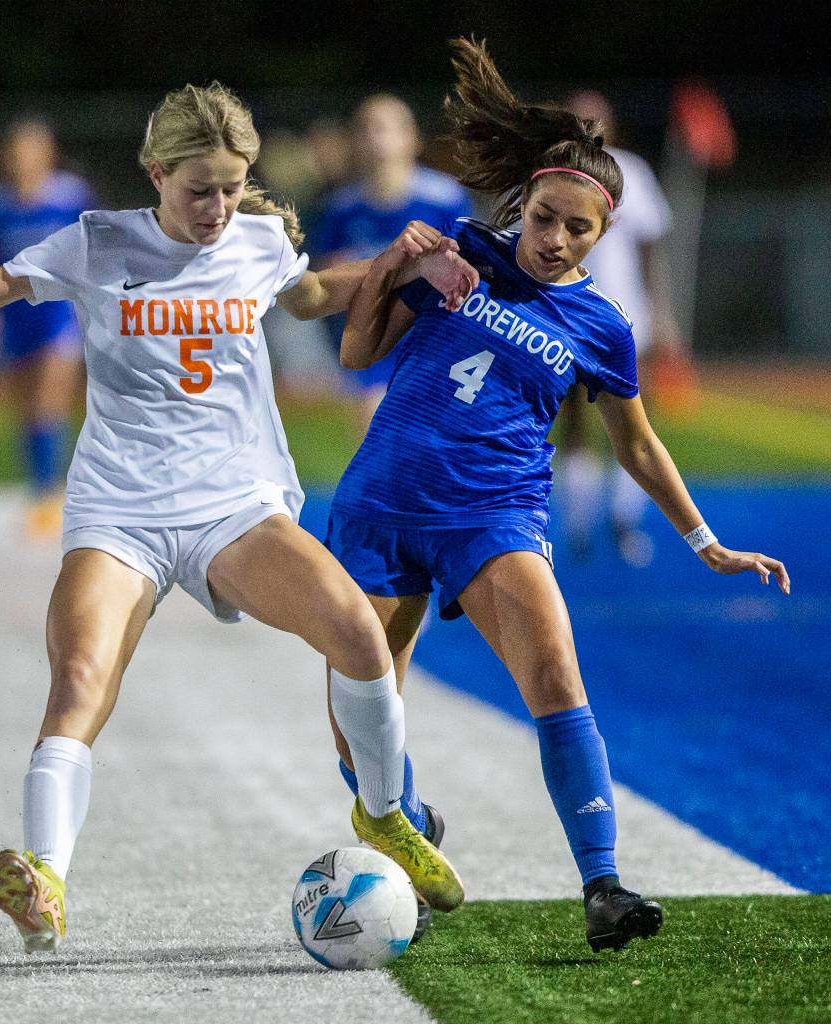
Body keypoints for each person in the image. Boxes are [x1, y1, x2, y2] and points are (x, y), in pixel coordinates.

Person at [0, 82, 478, 954]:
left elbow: (311, 293)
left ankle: (385, 815)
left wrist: (403, 266)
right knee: (79, 686)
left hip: (234, 505)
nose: (218, 208)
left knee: (360, 639)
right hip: (120, 510)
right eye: (198, 189)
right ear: (156, 173)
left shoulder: (255, 239)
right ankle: (46, 880)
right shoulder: (98, 242)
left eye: (230, 186)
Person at [323, 38, 790, 952]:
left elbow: (638, 445)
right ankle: (411, 825)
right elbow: (356, 354)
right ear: (520, 205)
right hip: (377, 507)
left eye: (578, 230)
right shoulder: (461, 252)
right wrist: (397, 262)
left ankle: (604, 888)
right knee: (359, 723)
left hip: (496, 516)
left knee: (557, 682)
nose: (555, 239)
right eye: (544, 218)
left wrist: (708, 544)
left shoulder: (603, 327)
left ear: (601, 236)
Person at [554, 90, 682, 566]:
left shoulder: (632, 172)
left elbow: (649, 251)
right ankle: (580, 523)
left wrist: (661, 312)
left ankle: (625, 518)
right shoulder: (552, 172)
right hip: (565, 314)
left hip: (624, 315)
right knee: (574, 422)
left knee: (634, 420)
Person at [309, 93, 473, 434]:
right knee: (374, 435)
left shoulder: (444, 198)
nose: (374, 137)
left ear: (411, 137)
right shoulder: (342, 209)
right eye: (365, 128)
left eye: (383, 127)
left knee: (432, 443)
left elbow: (472, 267)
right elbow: (326, 279)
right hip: (374, 336)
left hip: (432, 335)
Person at [0, 118, 95, 537]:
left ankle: (51, 493)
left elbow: (98, 245)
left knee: (49, 399)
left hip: (59, 314)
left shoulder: (70, 196)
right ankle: (38, 486)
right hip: (15, 314)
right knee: (25, 405)